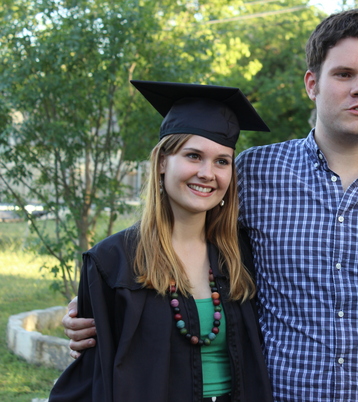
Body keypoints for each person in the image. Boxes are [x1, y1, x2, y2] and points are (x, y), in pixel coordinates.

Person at [63, 9, 358, 401]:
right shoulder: (255, 173)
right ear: (312, 84)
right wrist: (104, 297)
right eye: (344, 74)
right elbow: (183, 238)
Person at [50, 80, 273, 402]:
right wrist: (84, 305)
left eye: (222, 161)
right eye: (193, 156)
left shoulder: (243, 254)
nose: (208, 173)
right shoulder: (112, 262)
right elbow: (94, 375)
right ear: (163, 162)